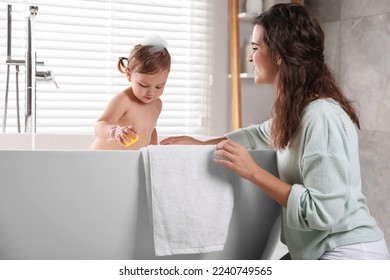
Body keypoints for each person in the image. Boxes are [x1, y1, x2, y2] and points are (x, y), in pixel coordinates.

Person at [160, 3, 389, 260]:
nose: (250, 57)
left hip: (350, 255)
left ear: (279, 54)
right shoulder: (298, 111)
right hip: (319, 250)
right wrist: (202, 143)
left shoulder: (321, 116)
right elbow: (257, 134)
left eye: (256, 48)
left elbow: (322, 212)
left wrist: (253, 172)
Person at [90, 34, 171, 150]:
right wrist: (115, 131)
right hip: (101, 158)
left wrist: (153, 152)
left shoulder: (157, 104)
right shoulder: (124, 100)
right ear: (129, 74)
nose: (151, 92)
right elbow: (100, 125)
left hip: (127, 162)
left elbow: (150, 130)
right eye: (143, 85)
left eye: (159, 86)